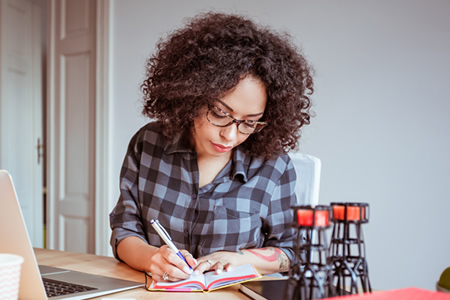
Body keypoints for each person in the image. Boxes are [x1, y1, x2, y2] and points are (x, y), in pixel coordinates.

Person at [109, 11, 314, 283]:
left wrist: (241, 258)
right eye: (219, 113)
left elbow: (293, 250)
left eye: (249, 123)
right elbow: (124, 230)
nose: (230, 135)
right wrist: (152, 258)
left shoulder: (272, 165)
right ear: (192, 96)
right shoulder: (148, 144)